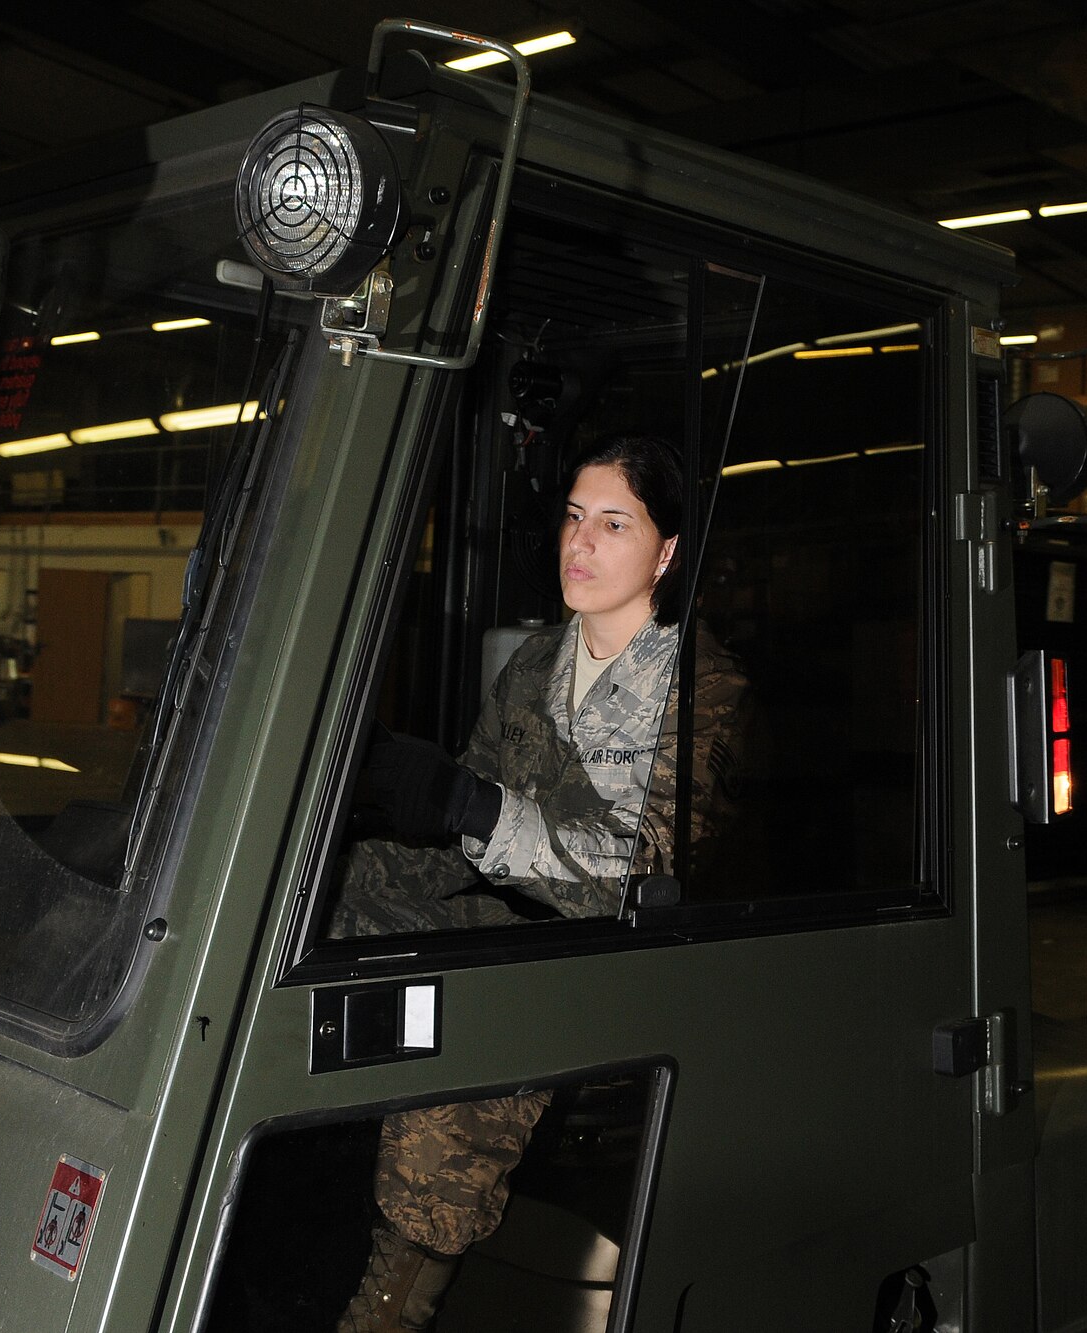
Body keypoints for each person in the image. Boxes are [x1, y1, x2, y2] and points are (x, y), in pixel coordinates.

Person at [331, 433, 745, 1332]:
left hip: (611, 959)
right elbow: (465, 834)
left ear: (667, 552)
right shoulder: (533, 666)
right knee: (313, 905)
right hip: (512, 918)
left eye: (613, 523)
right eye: (571, 517)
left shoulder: (697, 691)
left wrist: (467, 805)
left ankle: (387, 1310)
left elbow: (641, 872)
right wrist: (360, 832)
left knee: (458, 1076)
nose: (579, 543)